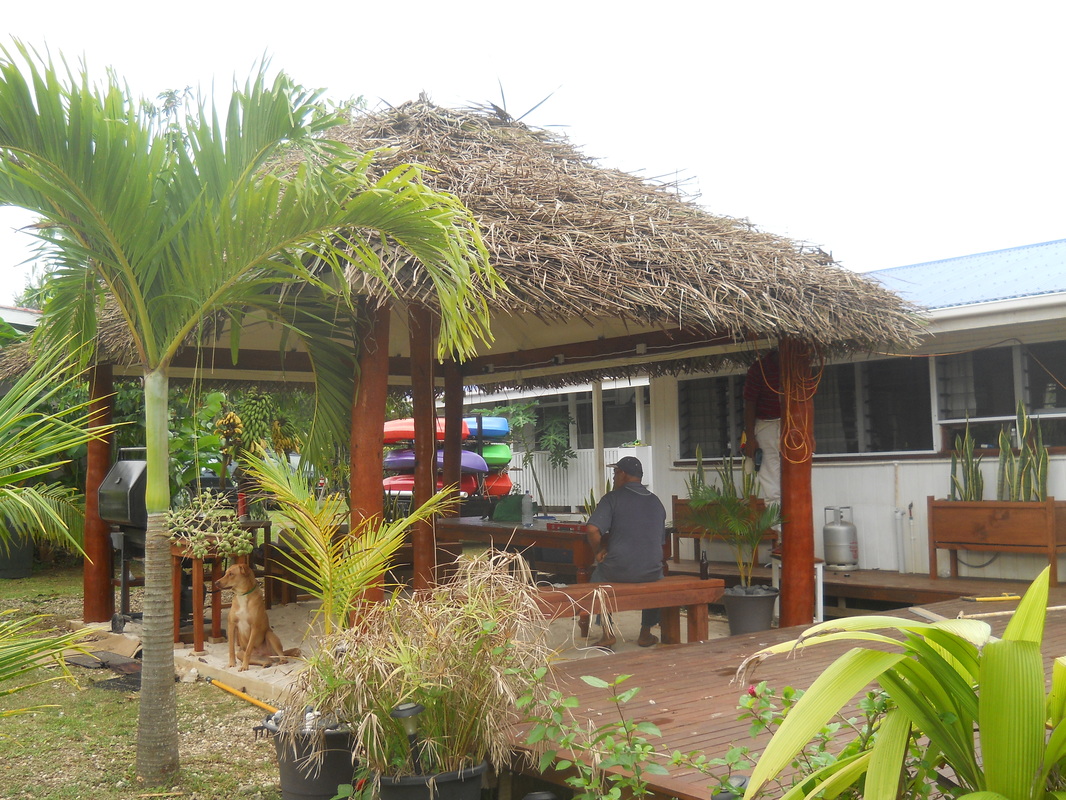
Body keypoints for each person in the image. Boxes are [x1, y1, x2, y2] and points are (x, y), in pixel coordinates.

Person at [585, 456, 667, 649]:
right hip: (652, 570)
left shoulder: (612, 498)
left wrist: (598, 551)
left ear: (623, 474)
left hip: (620, 570)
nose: (613, 478)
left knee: (598, 578)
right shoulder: (656, 502)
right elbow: (658, 541)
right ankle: (645, 634)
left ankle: (607, 634)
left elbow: (592, 529)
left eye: (615, 473)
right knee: (656, 578)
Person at [742, 349, 782, 505]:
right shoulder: (760, 369)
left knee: (794, 480)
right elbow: (749, 403)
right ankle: (779, 528)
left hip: (793, 424)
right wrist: (750, 438)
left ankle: (793, 526)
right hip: (767, 424)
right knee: (771, 483)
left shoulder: (798, 366)